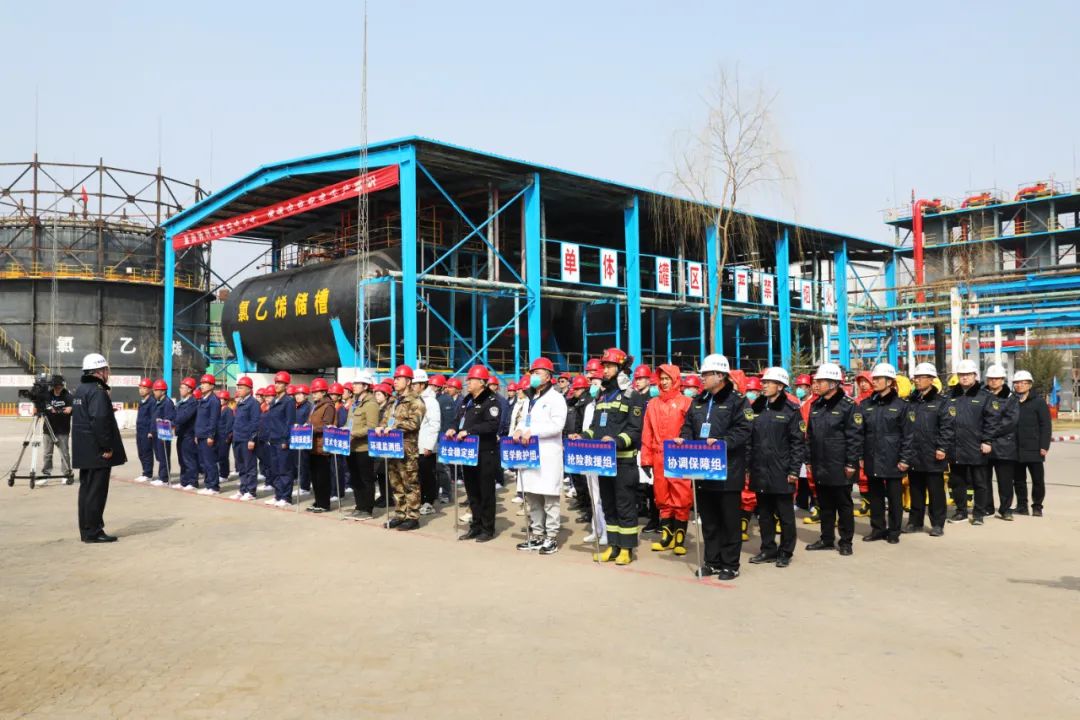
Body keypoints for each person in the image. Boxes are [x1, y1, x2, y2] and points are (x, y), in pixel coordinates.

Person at [678, 353, 751, 580]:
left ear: (720, 375)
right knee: (709, 521)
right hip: (702, 469)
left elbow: (744, 429)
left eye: (706, 374)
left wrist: (722, 443)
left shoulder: (738, 401)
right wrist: (684, 440)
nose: (702, 378)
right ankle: (712, 561)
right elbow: (688, 425)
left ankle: (730, 564)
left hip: (728, 469)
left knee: (729, 520)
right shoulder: (699, 400)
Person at [574, 347, 645, 566]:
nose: (604, 370)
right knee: (609, 505)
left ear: (621, 368)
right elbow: (595, 428)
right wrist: (582, 436)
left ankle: (626, 548)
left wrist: (616, 441)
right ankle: (613, 546)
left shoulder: (632, 396)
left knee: (625, 506)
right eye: (604, 366)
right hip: (604, 462)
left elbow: (635, 430)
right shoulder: (603, 396)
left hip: (623, 461)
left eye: (609, 366)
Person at [747, 367, 806, 567]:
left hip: (782, 470)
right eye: (763, 382)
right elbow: (749, 439)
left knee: (785, 514)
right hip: (760, 469)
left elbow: (798, 443)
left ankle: (786, 552)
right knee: (764, 514)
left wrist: (794, 470)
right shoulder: (756, 407)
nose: (763, 385)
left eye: (768, 382)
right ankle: (768, 549)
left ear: (780, 386)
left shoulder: (791, 410)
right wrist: (748, 466)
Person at [805, 363, 861, 556]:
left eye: (820, 381)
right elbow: (810, 435)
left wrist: (851, 463)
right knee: (825, 504)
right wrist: (808, 460)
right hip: (820, 463)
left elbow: (855, 437)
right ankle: (826, 539)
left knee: (843, 504)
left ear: (833, 383)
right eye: (816, 381)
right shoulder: (816, 405)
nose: (816, 384)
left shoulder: (848, 406)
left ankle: (846, 541)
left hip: (840, 464)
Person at [514, 358, 568, 555]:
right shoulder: (530, 398)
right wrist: (519, 430)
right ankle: (537, 534)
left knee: (550, 497)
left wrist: (533, 432)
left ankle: (551, 537)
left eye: (538, 372)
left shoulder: (556, 398)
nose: (534, 376)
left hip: (548, 454)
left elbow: (557, 425)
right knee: (532, 496)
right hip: (530, 454)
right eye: (532, 373)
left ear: (548, 376)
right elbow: (524, 421)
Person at [71, 353, 127, 543]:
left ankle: (86, 530)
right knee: (96, 492)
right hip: (97, 452)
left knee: (86, 491)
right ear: (100, 371)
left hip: (84, 450)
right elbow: (99, 420)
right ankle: (94, 531)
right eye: (106, 370)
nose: (107, 373)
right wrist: (107, 447)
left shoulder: (80, 389)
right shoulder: (97, 391)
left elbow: (87, 417)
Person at [856, 363, 913, 544]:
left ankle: (894, 530)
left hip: (893, 458)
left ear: (889, 382)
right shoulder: (866, 405)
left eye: (878, 379)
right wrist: (860, 456)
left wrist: (905, 459)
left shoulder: (901, 406)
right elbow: (860, 433)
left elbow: (908, 435)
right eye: (874, 378)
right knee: (875, 496)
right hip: (872, 456)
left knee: (895, 497)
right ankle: (878, 529)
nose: (874, 381)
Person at [640, 364, 692, 555]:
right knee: (661, 496)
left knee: (681, 496)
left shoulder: (686, 402)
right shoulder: (653, 404)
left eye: (667, 378)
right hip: (658, 455)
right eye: (661, 379)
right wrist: (646, 459)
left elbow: (691, 429)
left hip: (679, 455)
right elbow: (647, 432)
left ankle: (679, 537)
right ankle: (667, 535)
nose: (663, 382)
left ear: (675, 380)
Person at [449, 365, 501, 541]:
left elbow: (492, 425)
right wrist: (453, 428)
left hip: (484, 452)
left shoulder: (491, 401)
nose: (468, 383)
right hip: (468, 452)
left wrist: (469, 431)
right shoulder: (467, 400)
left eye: (471, 380)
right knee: (472, 491)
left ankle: (487, 528)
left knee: (486, 491)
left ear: (481, 382)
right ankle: (475, 525)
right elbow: (458, 419)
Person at [904, 363, 953, 536]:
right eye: (915, 377)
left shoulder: (941, 402)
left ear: (931, 380)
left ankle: (937, 524)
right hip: (914, 452)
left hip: (933, 454)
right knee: (915, 489)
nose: (916, 380)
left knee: (935, 491)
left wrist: (942, 447)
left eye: (920, 377)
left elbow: (947, 427)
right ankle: (915, 522)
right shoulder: (910, 402)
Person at [947, 359, 997, 525]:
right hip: (955, 446)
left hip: (977, 446)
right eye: (961, 374)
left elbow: (991, 421)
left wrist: (987, 440)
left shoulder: (985, 396)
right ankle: (960, 511)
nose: (965, 377)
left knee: (979, 482)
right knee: (957, 481)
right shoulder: (950, 396)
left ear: (975, 375)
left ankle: (978, 513)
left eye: (968, 374)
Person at [378, 365, 426, 531]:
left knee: (410, 483)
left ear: (408, 381)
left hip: (407, 449)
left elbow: (414, 423)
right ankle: (400, 514)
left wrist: (394, 427)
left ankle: (413, 517)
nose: (395, 381)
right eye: (395, 378)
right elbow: (386, 419)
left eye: (399, 379)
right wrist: (381, 427)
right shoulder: (394, 401)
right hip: (392, 447)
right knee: (396, 483)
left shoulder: (415, 400)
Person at [983, 364, 1020, 520]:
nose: (994, 381)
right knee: (983, 480)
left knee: (1005, 480)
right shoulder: (981, 395)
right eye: (991, 378)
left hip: (1004, 445)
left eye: (997, 378)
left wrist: (988, 433)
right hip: (984, 446)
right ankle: (987, 508)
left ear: (1003, 380)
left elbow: (1010, 421)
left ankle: (1005, 509)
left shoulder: (1011, 398)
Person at [1012, 371, 1051, 516]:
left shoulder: (1038, 402)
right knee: (1018, 480)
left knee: (1038, 480)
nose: (1020, 385)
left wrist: (1044, 446)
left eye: (1023, 383)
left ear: (1029, 384)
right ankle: (1022, 506)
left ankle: (1037, 506)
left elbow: (1045, 425)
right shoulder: (1012, 401)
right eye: (1017, 383)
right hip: (1015, 448)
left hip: (1034, 448)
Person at [348, 371, 381, 518]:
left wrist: (353, 434)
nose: (354, 386)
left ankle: (367, 509)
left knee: (366, 479)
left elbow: (371, 427)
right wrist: (340, 430)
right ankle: (359, 506)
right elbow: (349, 424)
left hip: (364, 448)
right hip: (351, 447)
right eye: (354, 383)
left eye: (357, 384)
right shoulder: (354, 403)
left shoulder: (371, 404)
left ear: (366, 386)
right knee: (355, 478)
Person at [262, 371, 297, 507]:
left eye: (280, 383)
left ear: (286, 385)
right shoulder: (274, 401)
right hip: (273, 440)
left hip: (282, 441)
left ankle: (286, 497)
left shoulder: (288, 401)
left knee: (285, 469)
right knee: (275, 469)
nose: (277, 385)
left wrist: (285, 440)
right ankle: (278, 495)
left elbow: (289, 422)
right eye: (276, 382)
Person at [305, 378, 337, 512]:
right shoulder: (315, 405)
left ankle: (324, 504)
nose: (313, 394)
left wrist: (311, 429)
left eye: (316, 392)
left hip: (323, 446)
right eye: (313, 392)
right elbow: (311, 421)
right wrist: (305, 426)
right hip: (313, 446)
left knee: (322, 476)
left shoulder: (328, 406)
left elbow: (326, 425)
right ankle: (318, 501)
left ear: (323, 392)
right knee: (315, 476)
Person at [412, 370, 441, 516]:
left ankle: (429, 502)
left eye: (415, 384)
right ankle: (420, 500)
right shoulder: (414, 399)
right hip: (414, 445)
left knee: (427, 475)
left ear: (422, 384)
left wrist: (429, 446)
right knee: (417, 475)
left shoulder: (431, 401)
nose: (412, 386)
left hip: (425, 446)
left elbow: (434, 424)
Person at [230, 376, 259, 500]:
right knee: (241, 466)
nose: (239, 390)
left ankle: (251, 491)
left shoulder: (253, 403)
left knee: (250, 466)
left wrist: (252, 439)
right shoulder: (240, 403)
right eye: (238, 387)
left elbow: (255, 422)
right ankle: (243, 489)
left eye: (241, 387)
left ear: (249, 389)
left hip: (247, 440)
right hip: (237, 438)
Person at [194, 374, 221, 495]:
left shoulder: (213, 400)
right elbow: (200, 419)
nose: (202, 386)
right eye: (202, 383)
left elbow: (213, 420)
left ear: (212, 386)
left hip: (208, 437)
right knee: (204, 462)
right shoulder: (202, 400)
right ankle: (208, 484)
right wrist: (197, 434)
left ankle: (214, 486)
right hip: (201, 435)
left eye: (205, 383)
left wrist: (211, 435)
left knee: (210, 462)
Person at [430, 374, 454, 504]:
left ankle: (446, 493)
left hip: (441, 437)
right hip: (433, 437)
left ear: (439, 387)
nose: (430, 388)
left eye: (433, 386)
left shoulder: (445, 400)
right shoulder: (432, 399)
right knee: (434, 468)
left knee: (442, 467)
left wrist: (444, 438)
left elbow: (448, 421)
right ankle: (435, 492)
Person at [149, 379, 175, 486]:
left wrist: (162, 424)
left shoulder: (167, 403)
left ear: (163, 391)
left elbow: (169, 418)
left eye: (156, 390)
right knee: (160, 455)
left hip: (163, 433)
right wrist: (152, 431)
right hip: (157, 433)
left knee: (164, 455)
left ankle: (164, 478)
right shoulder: (158, 402)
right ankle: (161, 476)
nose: (154, 392)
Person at [174, 377, 199, 490]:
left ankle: (193, 482)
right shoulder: (182, 403)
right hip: (181, 434)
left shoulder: (192, 402)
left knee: (189, 459)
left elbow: (184, 417)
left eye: (182, 387)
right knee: (182, 459)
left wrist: (172, 421)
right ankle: (184, 481)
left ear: (189, 389)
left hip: (189, 435)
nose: (180, 389)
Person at [133, 378, 155, 482]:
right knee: (141, 452)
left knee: (147, 452)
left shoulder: (152, 402)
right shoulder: (142, 402)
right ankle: (144, 471)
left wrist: (151, 431)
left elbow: (153, 417)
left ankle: (148, 474)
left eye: (144, 388)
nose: (141, 390)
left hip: (147, 431)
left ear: (150, 389)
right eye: (140, 388)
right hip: (140, 431)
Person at [293, 384, 312, 496]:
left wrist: (301, 426)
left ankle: (305, 487)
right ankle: (303, 484)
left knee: (304, 463)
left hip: (304, 438)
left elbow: (309, 422)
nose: (297, 396)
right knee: (298, 463)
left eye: (300, 394)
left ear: (305, 395)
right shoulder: (296, 406)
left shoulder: (308, 407)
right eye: (296, 394)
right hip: (296, 437)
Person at [216, 390, 234, 482]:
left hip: (225, 437)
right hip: (218, 436)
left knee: (223, 456)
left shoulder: (228, 411)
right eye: (220, 399)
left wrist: (228, 436)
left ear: (227, 400)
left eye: (223, 399)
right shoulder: (218, 409)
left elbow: (229, 424)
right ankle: (220, 472)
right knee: (218, 456)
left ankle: (224, 474)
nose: (221, 400)